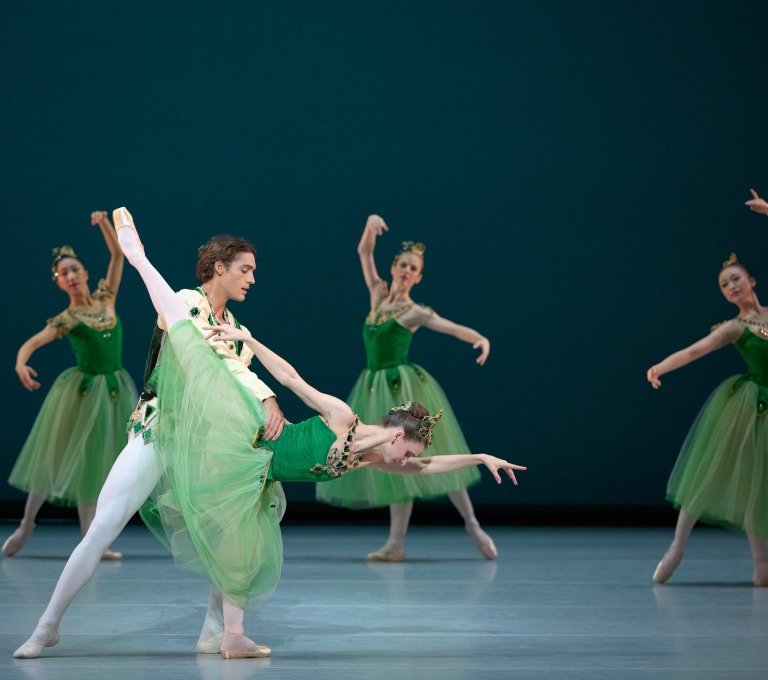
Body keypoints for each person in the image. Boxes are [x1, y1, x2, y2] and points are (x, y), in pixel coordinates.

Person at [110, 207, 525, 658]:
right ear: (396, 431)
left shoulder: (370, 456)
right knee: (238, 551)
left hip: (262, 472)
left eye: (411, 454)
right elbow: (292, 379)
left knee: (242, 555)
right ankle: (137, 258)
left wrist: (481, 458)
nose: (408, 459)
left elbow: (430, 468)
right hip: (252, 444)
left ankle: (228, 637)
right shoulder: (344, 418)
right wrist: (248, 343)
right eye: (410, 448)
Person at [13, 226, 287, 660]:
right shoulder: (186, 302)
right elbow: (210, 356)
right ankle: (47, 625)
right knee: (103, 526)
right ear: (219, 268)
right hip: (159, 430)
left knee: (233, 530)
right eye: (245, 269)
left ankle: (216, 631)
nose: (252, 279)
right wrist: (137, 257)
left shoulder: (236, 326)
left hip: (203, 442)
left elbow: (235, 371)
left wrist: (266, 402)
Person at [316, 214, 497, 561]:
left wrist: (480, 339)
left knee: (433, 452)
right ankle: (396, 544)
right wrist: (369, 225)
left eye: (413, 269)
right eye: (402, 264)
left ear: (418, 277)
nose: (406, 271)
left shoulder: (415, 312)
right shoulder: (378, 294)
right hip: (373, 385)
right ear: (395, 265)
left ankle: (472, 524)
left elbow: (453, 328)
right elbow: (364, 253)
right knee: (392, 461)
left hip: (405, 388)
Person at [647, 190, 768, 587]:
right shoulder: (736, 328)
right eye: (724, 285)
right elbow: (696, 350)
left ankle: (761, 566)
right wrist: (661, 365)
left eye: (735, 279)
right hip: (748, 406)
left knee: (759, 484)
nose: (731, 286)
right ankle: (677, 547)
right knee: (707, 472)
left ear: (751, 280)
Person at [2, 211, 136, 559]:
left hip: (114, 390)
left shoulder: (107, 298)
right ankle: (27, 523)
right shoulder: (67, 319)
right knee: (53, 458)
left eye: (75, 269)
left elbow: (118, 254)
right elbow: (31, 343)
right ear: (59, 283)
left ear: (86, 273)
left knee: (94, 468)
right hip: (82, 394)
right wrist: (21, 362)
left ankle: (91, 542)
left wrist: (105, 223)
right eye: (64, 274)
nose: (71, 276)